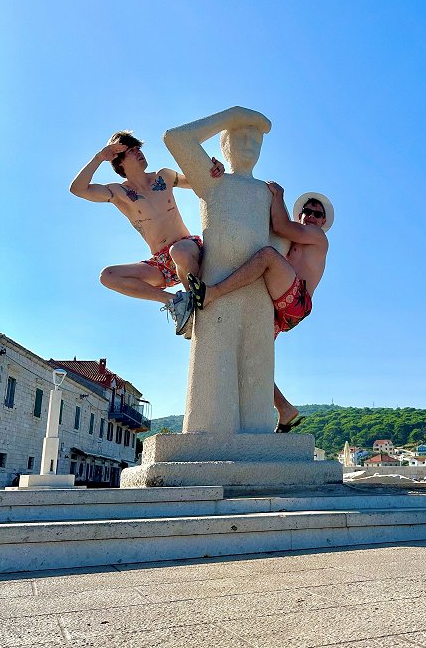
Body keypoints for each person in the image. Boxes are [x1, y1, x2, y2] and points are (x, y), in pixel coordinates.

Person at [188, 185, 333, 431]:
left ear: (323, 221)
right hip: (284, 302)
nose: (310, 215)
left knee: (267, 256)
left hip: (296, 299)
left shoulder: (317, 236)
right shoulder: (298, 237)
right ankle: (284, 408)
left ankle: (214, 291)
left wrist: (278, 196)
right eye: (307, 211)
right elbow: (282, 227)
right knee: (254, 356)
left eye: (316, 214)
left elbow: (280, 227)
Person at [70, 131, 224, 335]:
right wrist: (99, 157)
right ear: (119, 161)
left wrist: (215, 169)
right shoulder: (119, 193)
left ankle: (197, 305)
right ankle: (176, 302)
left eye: (138, 148)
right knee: (107, 276)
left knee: (178, 251)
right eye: (132, 151)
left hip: (187, 249)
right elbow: (78, 189)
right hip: (160, 263)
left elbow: (200, 181)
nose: (139, 153)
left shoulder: (164, 176)